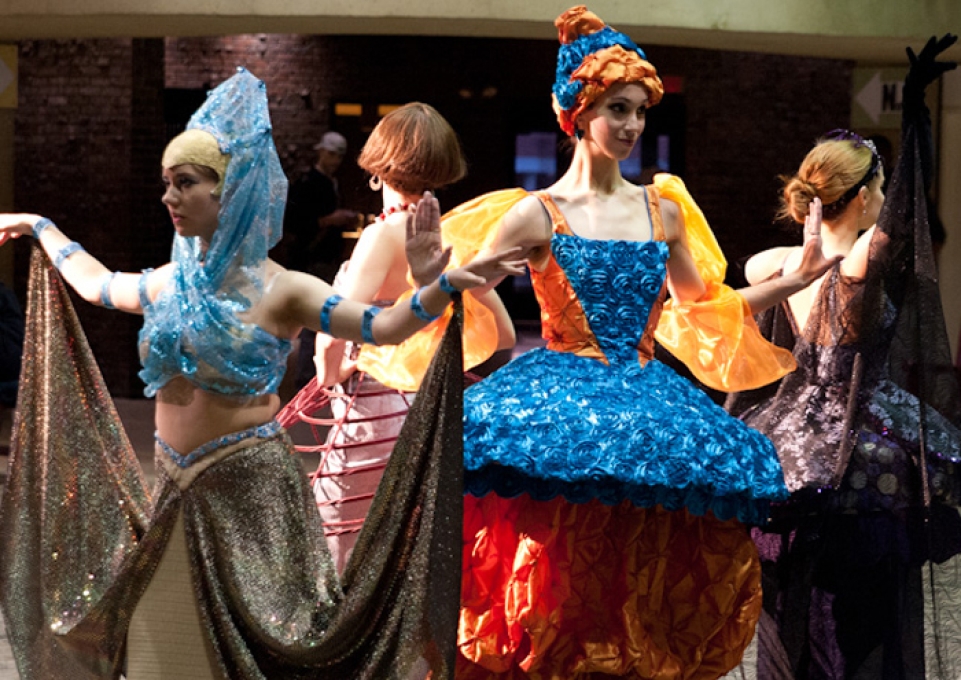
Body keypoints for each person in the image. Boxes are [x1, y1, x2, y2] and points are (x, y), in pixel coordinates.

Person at [0, 68, 524, 680]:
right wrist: (40, 227)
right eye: (167, 184)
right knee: (158, 645)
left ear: (233, 192)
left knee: (272, 639)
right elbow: (99, 286)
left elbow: (379, 329)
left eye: (186, 184)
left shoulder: (285, 288)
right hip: (175, 486)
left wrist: (436, 282)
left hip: (251, 489)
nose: (169, 198)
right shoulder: (170, 283)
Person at [446, 7, 839, 679]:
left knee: (640, 568)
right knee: (553, 569)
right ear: (576, 113)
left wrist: (793, 280)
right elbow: (456, 288)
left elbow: (704, 309)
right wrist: (454, 278)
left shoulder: (662, 209)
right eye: (615, 109)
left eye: (638, 111)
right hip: (559, 398)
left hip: (646, 397)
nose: (630, 126)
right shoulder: (533, 213)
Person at [725, 36, 961, 680]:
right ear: (860, 197)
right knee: (863, 614)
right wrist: (915, 119)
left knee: (793, 597)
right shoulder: (857, 266)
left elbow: (746, 293)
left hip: (788, 435)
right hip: (856, 446)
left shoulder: (769, 263)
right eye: (878, 185)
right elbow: (906, 215)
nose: (886, 195)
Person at [278, 101, 516, 573]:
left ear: (376, 166)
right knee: (412, 544)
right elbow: (505, 335)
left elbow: (333, 330)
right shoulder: (448, 237)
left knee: (342, 539)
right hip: (433, 406)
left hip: (375, 404)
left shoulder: (382, 234)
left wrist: (332, 375)